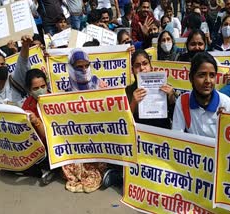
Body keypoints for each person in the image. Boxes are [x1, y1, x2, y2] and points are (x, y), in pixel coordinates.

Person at [62, 48, 118, 193]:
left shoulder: (99, 83)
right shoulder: (67, 89)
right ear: (71, 67)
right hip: (78, 138)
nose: (84, 69)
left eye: (86, 65)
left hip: (99, 135)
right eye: (79, 66)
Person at [172, 52, 230, 138]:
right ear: (191, 78)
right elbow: (177, 136)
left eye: (212, 75)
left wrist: (224, 123)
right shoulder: (183, 101)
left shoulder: (225, 103)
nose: (208, 81)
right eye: (202, 75)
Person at [126, 49, 176, 129]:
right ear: (132, 70)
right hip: (142, 136)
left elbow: (175, 118)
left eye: (145, 64)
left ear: (151, 67)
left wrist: (171, 99)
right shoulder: (128, 91)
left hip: (162, 134)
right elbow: (126, 122)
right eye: (137, 66)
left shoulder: (165, 87)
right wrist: (133, 103)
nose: (142, 68)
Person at [21, 68, 55, 185]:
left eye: (43, 86)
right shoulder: (27, 104)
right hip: (39, 147)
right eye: (35, 88)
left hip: (54, 145)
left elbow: (50, 136)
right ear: (29, 90)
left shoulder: (55, 100)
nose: (41, 90)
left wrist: (36, 121)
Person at [0, 35, 32, 106]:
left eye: (3, 64)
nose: (1, 67)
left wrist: (25, 46)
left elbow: (23, 61)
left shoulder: (15, 79)